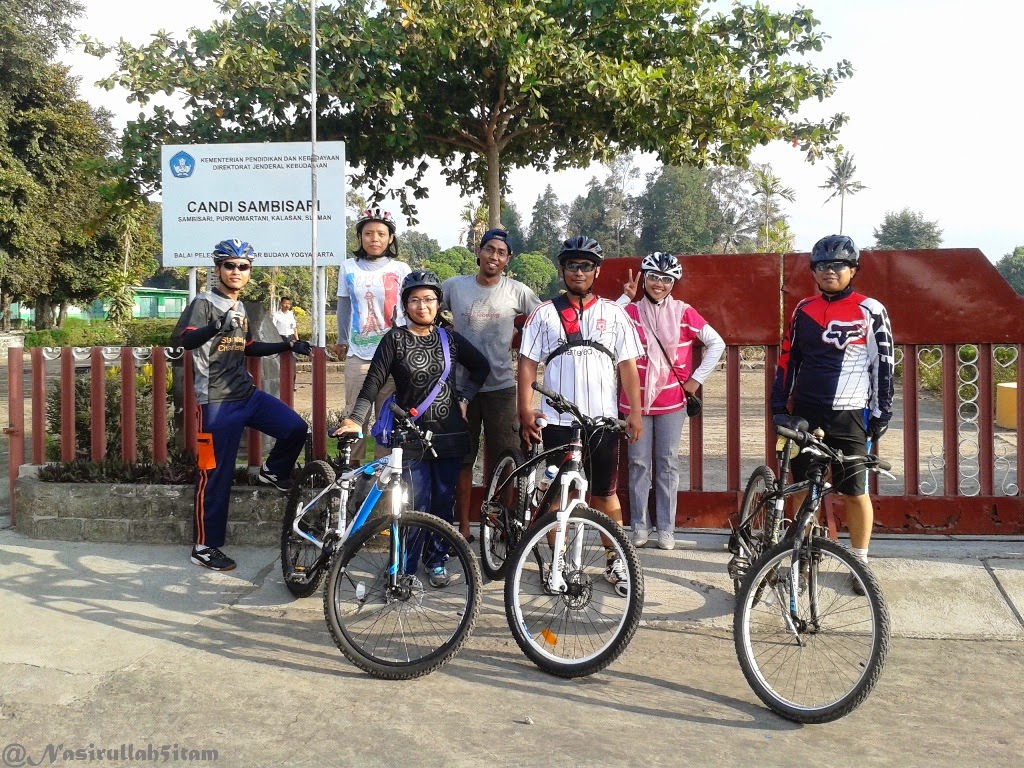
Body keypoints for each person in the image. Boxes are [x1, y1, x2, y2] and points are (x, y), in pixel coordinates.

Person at [334, 270, 490, 587]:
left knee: (442, 501)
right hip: (410, 435)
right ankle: (405, 566)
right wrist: (355, 418)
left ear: (437, 303)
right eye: (415, 300)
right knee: (413, 503)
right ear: (406, 305)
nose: (422, 305)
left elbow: (481, 367)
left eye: (429, 299)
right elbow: (371, 385)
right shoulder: (394, 339)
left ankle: (436, 561)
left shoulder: (449, 339)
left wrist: (464, 397)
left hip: (448, 433)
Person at [173, 239, 313, 571]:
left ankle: (272, 471)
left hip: (246, 395)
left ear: (249, 271)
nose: (237, 271)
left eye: (243, 266)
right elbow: (182, 340)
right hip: (215, 403)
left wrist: (288, 345)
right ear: (218, 269)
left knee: (295, 428)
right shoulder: (204, 303)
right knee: (214, 473)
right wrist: (212, 327)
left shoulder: (240, 308)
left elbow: (247, 347)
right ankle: (205, 547)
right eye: (230, 265)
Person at [517, 235, 644, 596]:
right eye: (572, 265)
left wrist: (634, 412)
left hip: (602, 422)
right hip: (559, 422)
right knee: (560, 496)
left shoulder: (615, 313)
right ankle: (557, 561)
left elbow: (628, 368)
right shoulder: (544, 314)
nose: (578, 271)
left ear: (597, 271)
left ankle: (615, 560)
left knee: (605, 494)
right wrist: (525, 409)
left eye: (586, 265)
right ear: (562, 270)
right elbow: (527, 365)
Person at [769, 234, 894, 588]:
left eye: (839, 265)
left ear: (853, 270)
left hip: (851, 415)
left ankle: (859, 562)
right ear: (813, 271)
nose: (830, 271)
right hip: (806, 413)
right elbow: (788, 359)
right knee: (801, 488)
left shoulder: (871, 309)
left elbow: (883, 363)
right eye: (822, 265)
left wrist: (882, 412)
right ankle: (802, 554)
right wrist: (779, 404)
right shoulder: (802, 309)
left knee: (854, 491)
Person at [617, 253, 725, 550]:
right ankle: (640, 525)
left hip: (672, 402)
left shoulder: (684, 312)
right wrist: (624, 299)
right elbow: (604, 325)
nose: (659, 284)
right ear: (644, 278)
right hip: (634, 402)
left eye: (666, 279)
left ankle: (666, 528)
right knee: (638, 464)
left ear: (674, 283)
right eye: (653, 277)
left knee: (667, 464)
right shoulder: (630, 312)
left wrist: (695, 380)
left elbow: (717, 343)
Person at [442, 227, 541, 541]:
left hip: (501, 387)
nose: (494, 256)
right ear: (479, 252)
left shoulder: (517, 291)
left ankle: (503, 523)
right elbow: (424, 302)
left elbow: (544, 318)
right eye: (489, 250)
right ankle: (462, 527)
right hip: (460, 389)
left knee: (507, 457)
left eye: (501, 252)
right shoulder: (454, 287)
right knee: (462, 459)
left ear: (507, 259)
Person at [331, 206, 411, 463]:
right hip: (359, 355)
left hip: (391, 355)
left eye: (380, 234)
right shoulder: (348, 267)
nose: (374, 239)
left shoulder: (400, 269)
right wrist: (343, 340)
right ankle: (350, 473)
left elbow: (408, 308)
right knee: (355, 415)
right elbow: (343, 306)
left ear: (390, 239)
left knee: (386, 418)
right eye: (368, 234)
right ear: (360, 237)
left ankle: (380, 476)